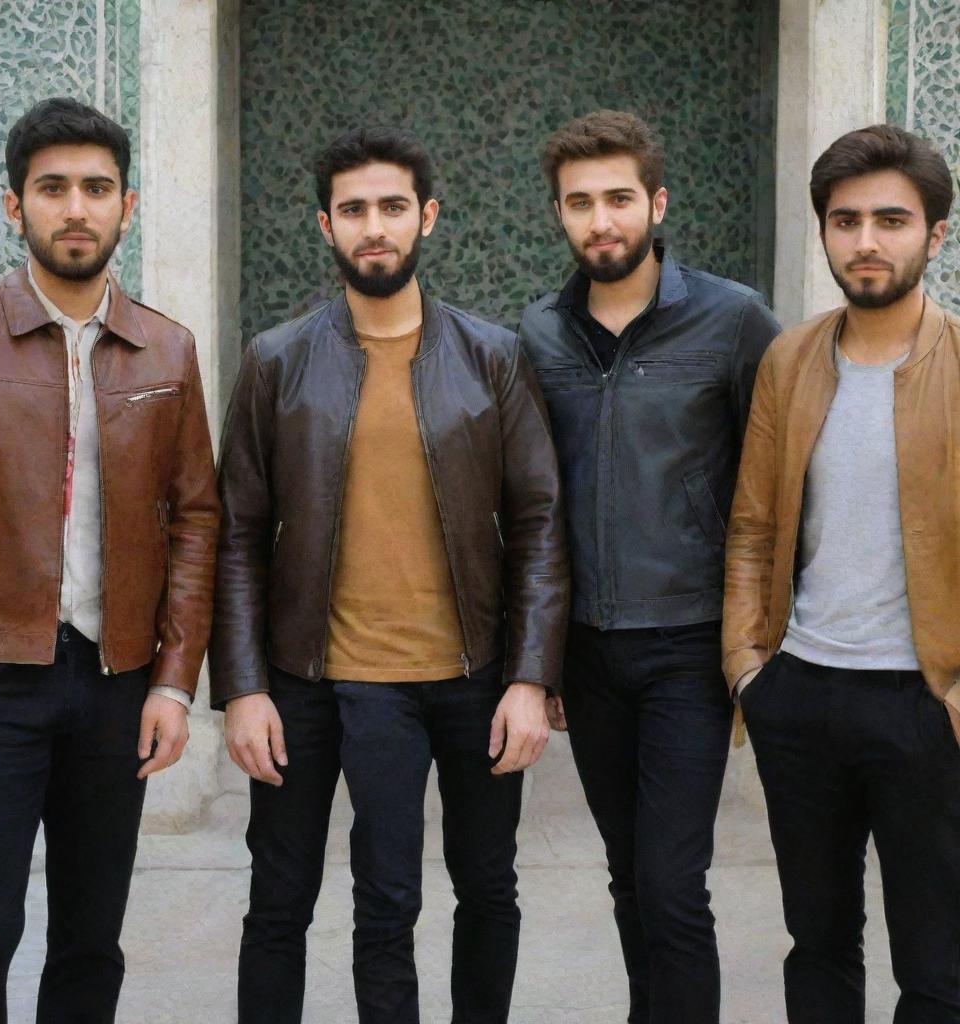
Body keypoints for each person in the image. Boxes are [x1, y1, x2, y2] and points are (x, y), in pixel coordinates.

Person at [210, 125, 568, 1024]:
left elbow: (540, 520)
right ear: (324, 225)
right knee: (315, 900)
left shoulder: (491, 355)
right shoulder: (277, 359)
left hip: (472, 678)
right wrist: (244, 687)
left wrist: (530, 677)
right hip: (317, 676)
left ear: (429, 217)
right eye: (355, 210)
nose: (376, 227)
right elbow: (238, 531)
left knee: (488, 891)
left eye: (394, 207)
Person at [0, 97, 220, 1023]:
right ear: (15, 206)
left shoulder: (167, 348)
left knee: (92, 937)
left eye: (97, 188)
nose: (76, 208)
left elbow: (195, 521)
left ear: (127, 207)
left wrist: (174, 683)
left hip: (115, 680)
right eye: (52, 188)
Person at [518, 110, 780, 1024]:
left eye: (619, 199)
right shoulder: (539, 334)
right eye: (580, 203)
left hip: (688, 648)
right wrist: (538, 658)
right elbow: (534, 506)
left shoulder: (734, 318)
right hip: (590, 653)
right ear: (558, 213)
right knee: (630, 879)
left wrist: (761, 641)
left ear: (656, 202)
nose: (601, 221)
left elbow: (778, 480)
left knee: (673, 887)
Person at [724, 123, 959, 1023]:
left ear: (934, 234)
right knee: (817, 945)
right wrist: (751, 669)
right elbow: (751, 528)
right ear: (822, 230)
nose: (866, 240)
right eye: (846, 219)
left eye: (892, 220)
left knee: (937, 964)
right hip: (804, 696)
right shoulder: (791, 359)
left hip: (927, 706)